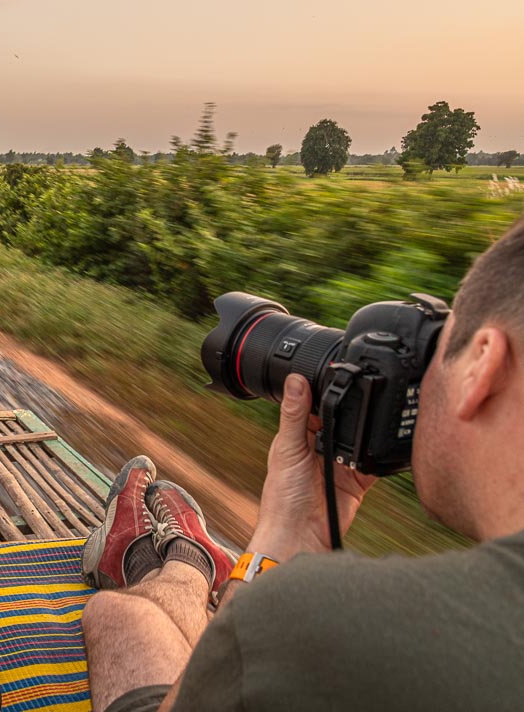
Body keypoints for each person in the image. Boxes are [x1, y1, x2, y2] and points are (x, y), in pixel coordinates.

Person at [80, 220, 524, 711]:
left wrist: (287, 533)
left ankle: (173, 558)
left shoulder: (321, 615)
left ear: (484, 361)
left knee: (117, 616)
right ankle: (189, 555)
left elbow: (228, 669)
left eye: (441, 350)